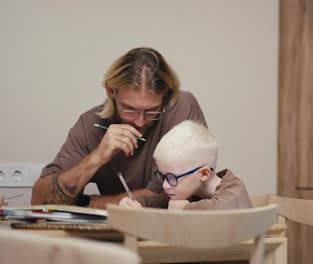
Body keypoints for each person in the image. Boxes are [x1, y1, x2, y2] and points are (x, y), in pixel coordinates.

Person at [31, 47, 207, 209]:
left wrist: (85, 203)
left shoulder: (182, 107)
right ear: (111, 92)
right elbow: (39, 201)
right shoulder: (90, 124)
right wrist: (96, 158)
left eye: (152, 111)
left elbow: (165, 197)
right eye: (130, 109)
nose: (140, 121)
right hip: (114, 234)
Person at [119, 120, 252, 210]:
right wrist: (132, 204)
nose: (165, 185)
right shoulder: (188, 190)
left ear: (204, 174)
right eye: (163, 176)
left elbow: (221, 209)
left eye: (172, 178)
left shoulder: (233, 194)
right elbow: (154, 202)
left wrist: (183, 209)